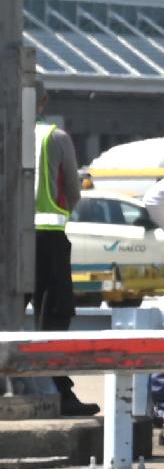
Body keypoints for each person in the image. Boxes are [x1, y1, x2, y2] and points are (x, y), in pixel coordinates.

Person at [25, 70, 86, 415]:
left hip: (8, 242)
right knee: (53, 315)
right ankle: (59, 391)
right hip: (48, 240)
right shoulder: (55, 137)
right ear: (43, 102)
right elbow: (74, 192)